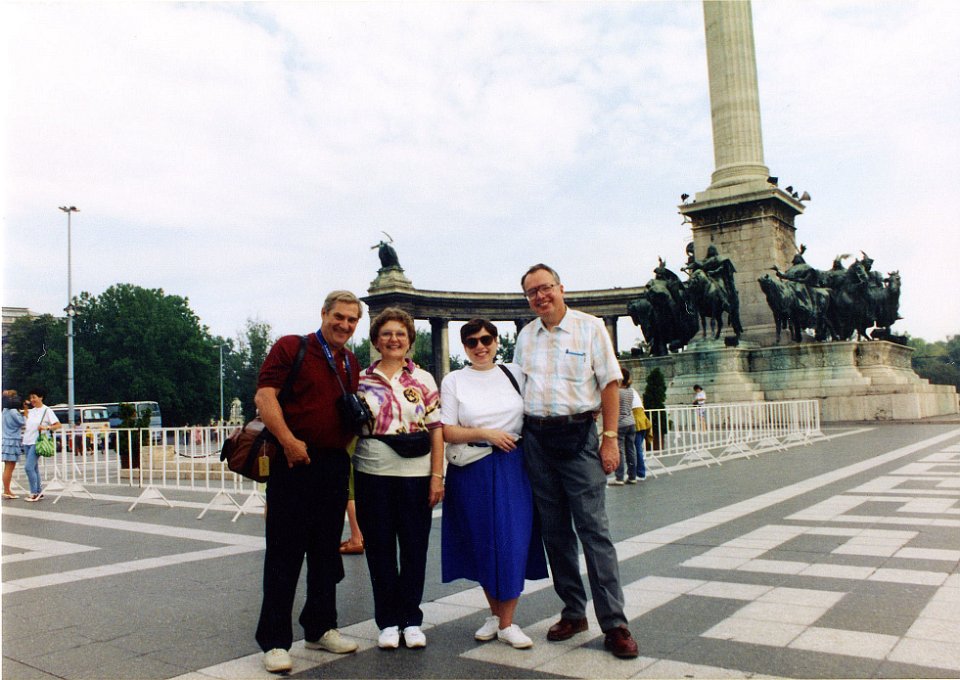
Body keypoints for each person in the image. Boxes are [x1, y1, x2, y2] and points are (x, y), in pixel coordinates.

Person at [513, 264, 639, 659]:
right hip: (537, 439)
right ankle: (573, 611)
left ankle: (615, 623)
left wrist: (610, 438)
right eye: (532, 292)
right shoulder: (525, 337)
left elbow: (610, 383)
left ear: (561, 288)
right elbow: (518, 391)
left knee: (594, 531)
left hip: (580, 437)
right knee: (555, 534)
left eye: (545, 287)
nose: (540, 296)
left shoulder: (590, 327)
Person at [253, 291, 364, 674]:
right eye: (339, 316)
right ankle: (274, 641)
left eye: (352, 320)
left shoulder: (350, 361)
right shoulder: (291, 347)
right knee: (283, 554)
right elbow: (265, 397)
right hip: (293, 460)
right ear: (324, 313)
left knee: (325, 553)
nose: (344, 325)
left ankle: (320, 627)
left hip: (332, 464)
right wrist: (288, 440)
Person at [440, 318, 548, 649]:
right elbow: (447, 429)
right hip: (472, 467)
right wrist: (486, 433)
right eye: (472, 341)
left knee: (513, 541)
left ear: (497, 341)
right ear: (464, 347)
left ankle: (507, 622)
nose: (480, 346)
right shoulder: (454, 379)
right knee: (482, 541)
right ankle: (496, 614)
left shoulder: (514, 373)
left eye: (486, 339)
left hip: (513, 464)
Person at [353, 307, 444, 651]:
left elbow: (437, 429)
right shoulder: (359, 380)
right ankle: (388, 621)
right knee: (379, 549)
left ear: (410, 341)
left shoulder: (423, 379)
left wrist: (437, 476)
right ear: (376, 341)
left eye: (400, 334)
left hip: (416, 474)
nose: (394, 339)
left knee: (414, 548)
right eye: (387, 334)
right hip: (372, 472)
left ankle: (411, 619)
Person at [21, 388, 60, 502]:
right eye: (30, 397)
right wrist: (25, 407)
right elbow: (26, 422)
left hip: (37, 442)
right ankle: (38, 491)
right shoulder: (31, 411)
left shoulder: (47, 410)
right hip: (27, 441)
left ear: (41, 397)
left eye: (34, 397)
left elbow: (58, 425)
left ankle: (34, 493)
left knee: (28, 467)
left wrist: (46, 427)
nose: (32, 400)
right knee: (34, 468)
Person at [610, 367, 638, 486]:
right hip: (631, 422)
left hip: (620, 424)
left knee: (620, 451)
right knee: (631, 450)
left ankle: (619, 477)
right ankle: (632, 476)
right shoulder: (630, 391)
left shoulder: (617, 392)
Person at [3, 391, 27, 499]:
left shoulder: (5, 410)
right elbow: (22, 422)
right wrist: (25, 412)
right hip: (12, 440)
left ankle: (7, 489)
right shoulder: (13, 411)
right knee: (9, 467)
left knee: (7, 467)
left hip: (6, 440)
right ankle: (7, 490)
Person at [631, 389, 651, 481]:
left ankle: (640, 473)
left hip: (636, 422)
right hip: (642, 421)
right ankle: (639, 472)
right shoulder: (633, 391)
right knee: (638, 449)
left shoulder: (625, 391)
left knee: (636, 449)